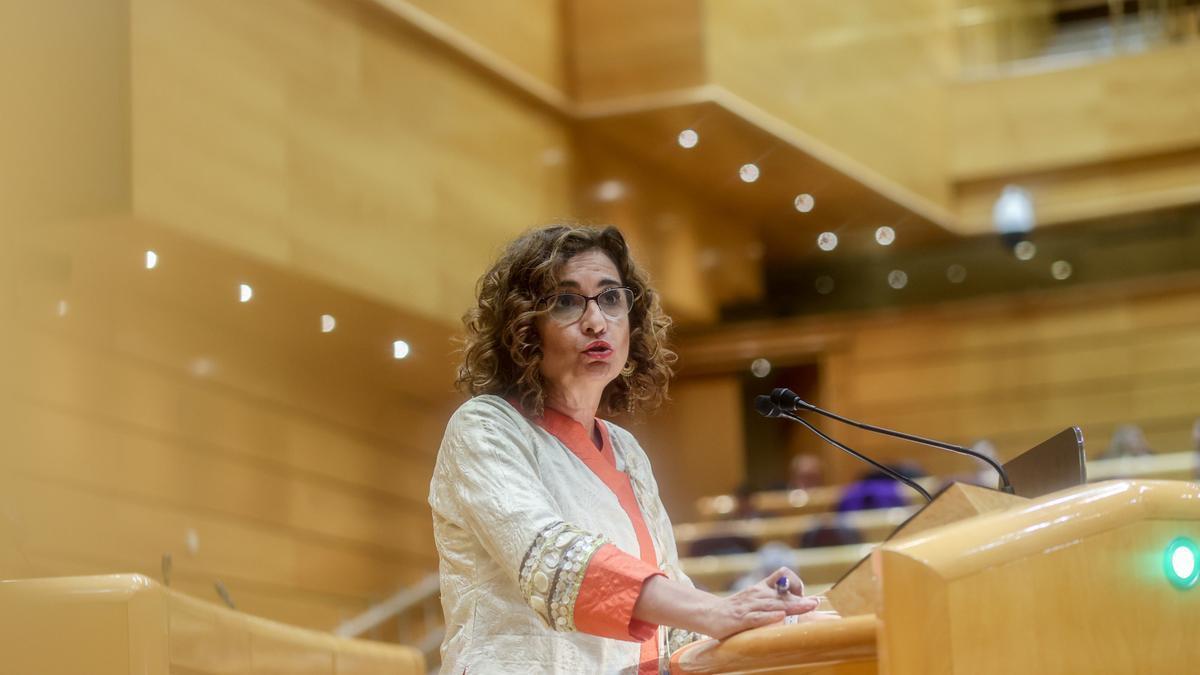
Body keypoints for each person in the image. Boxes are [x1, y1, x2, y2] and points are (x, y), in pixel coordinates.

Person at [429, 225, 819, 674]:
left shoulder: (626, 450)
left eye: (611, 298)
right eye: (566, 300)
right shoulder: (484, 426)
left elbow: (667, 619)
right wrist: (714, 612)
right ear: (524, 326)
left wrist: (760, 615)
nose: (596, 321)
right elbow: (552, 560)